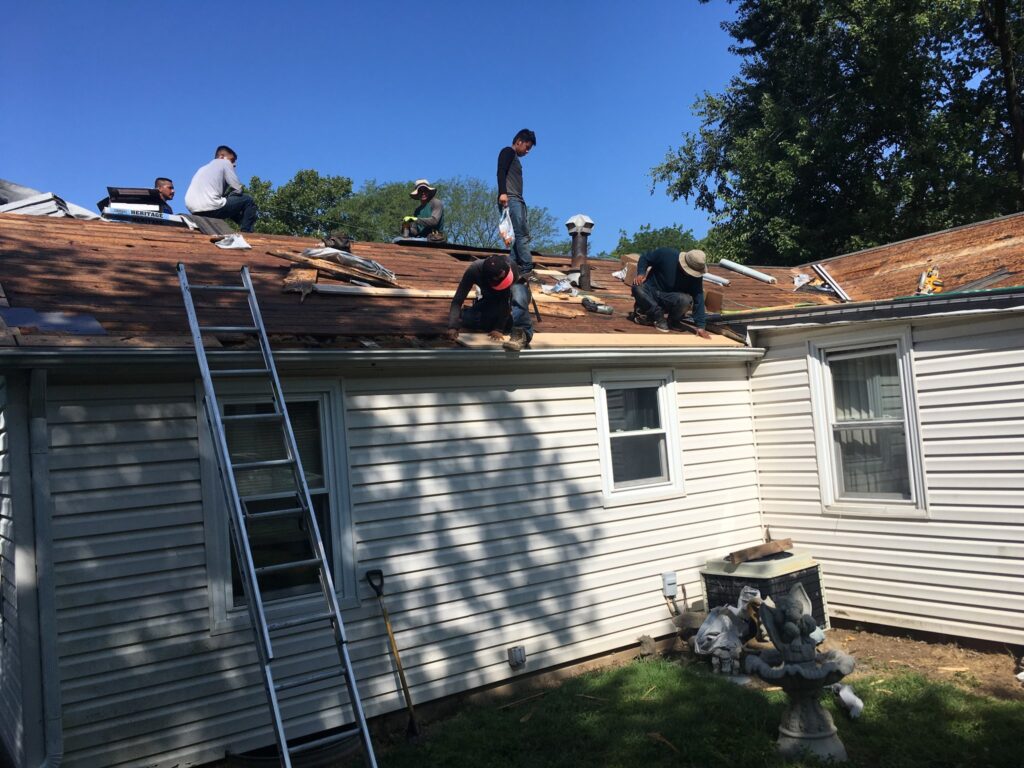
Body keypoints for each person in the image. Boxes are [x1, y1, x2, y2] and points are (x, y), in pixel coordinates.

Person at [445, 254, 534, 351]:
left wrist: (498, 328)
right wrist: (452, 326)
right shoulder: (474, 270)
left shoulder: (511, 266)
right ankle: (505, 323)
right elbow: (458, 299)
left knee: (519, 291)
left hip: (512, 297)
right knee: (468, 319)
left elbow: (505, 301)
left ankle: (522, 334)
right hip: (490, 299)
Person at [631, 248, 712, 339]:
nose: (689, 274)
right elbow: (645, 258)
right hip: (651, 293)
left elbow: (699, 298)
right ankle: (656, 315)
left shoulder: (695, 277)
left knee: (686, 300)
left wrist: (701, 326)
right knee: (637, 287)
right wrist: (641, 273)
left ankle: (673, 321)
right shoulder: (666, 254)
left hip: (669, 299)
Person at [184, 145, 257, 232]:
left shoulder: (202, 168)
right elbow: (238, 188)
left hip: (194, 210)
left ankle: (242, 223)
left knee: (229, 203)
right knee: (248, 200)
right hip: (211, 207)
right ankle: (247, 232)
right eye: (232, 160)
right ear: (221, 156)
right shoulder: (224, 163)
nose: (234, 164)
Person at [496, 129, 536, 277]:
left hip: (515, 199)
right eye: (527, 147)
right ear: (519, 141)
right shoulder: (508, 152)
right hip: (511, 198)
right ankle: (526, 266)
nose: (527, 151)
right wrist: (503, 192)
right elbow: (501, 171)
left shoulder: (515, 158)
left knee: (514, 236)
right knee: (521, 234)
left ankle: (512, 264)